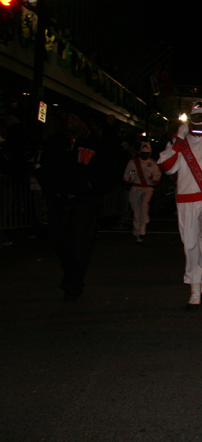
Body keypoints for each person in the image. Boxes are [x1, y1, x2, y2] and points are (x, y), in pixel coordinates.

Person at [157, 101, 202, 310]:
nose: (198, 118)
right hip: (186, 199)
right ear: (190, 117)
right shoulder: (179, 140)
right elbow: (168, 167)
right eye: (195, 115)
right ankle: (195, 291)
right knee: (190, 246)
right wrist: (178, 139)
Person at [37, 105, 112, 300]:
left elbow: (106, 174)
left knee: (79, 244)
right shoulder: (56, 142)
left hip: (84, 203)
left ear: (83, 121)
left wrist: (88, 188)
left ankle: (73, 283)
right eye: (68, 117)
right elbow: (44, 169)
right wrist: (51, 190)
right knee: (58, 241)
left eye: (74, 117)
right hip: (59, 200)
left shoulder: (97, 144)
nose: (69, 121)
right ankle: (70, 274)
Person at [123, 142, 161, 243]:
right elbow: (129, 174)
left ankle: (143, 227)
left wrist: (151, 176)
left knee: (144, 205)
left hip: (148, 188)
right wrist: (132, 175)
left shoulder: (153, 163)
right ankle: (137, 228)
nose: (145, 155)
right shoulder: (133, 162)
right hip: (136, 188)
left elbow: (157, 178)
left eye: (147, 153)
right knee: (136, 208)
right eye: (143, 153)